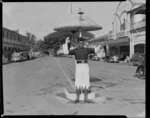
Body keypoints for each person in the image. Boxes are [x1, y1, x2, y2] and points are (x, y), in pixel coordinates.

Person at [63, 37, 100, 103]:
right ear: (78, 43)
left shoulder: (87, 49)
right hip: (78, 67)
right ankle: (77, 98)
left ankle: (86, 98)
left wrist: (100, 45)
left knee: (86, 82)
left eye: (82, 43)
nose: (81, 44)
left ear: (84, 43)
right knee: (78, 82)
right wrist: (66, 43)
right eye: (80, 43)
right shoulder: (75, 50)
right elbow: (66, 52)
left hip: (85, 66)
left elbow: (95, 50)